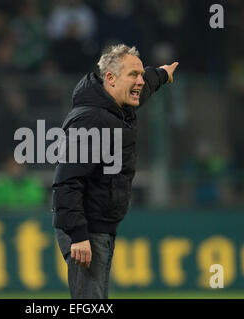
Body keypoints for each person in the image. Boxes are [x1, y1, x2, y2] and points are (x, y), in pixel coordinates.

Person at [52, 44, 178, 299]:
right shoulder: (92, 119)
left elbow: (142, 89)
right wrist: (78, 235)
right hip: (86, 227)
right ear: (110, 78)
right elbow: (67, 181)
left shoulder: (114, 107)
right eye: (134, 75)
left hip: (99, 225)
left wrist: (161, 75)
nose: (140, 81)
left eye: (141, 75)